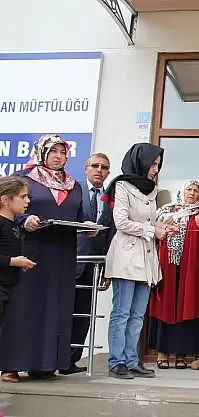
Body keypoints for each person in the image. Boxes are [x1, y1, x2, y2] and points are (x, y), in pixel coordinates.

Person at [0, 134, 90, 383]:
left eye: (62, 152)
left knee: (56, 307)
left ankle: (46, 364)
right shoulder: (24, 178)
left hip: (63, 253)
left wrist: (88, 226)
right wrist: (24, 219)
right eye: (53, 152)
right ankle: (12, 364)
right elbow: (7, 209)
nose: (58, 157)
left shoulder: (73, 184)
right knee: (24, 305)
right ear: (42, 153)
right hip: (32, 251)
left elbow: (78, 215)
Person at [103, 143, 175, 380]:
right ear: (140, 162)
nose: (155, 169)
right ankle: (116, 362)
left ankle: (132, 360)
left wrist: (163, 227)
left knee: (137, 315)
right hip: (126, 257)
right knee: (122, 313)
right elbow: (121, 222)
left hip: (146, 259)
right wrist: (152, 230)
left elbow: (149, 223)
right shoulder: (122, 186)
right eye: (152, 164)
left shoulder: (152, 190)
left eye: (158, 165)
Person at [148, 179, 199, 370]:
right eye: (189, 189)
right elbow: (151, 236)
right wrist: (161, 227)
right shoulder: (164, 212)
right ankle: (162, 353)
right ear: (181, 192)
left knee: (187, 307)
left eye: (196, 191)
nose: (192, 193)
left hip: (191, 269)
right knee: (165, 306)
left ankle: (182, 355)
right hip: (166, 268)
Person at [63, 153, 114, 375]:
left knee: (84, 314)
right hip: (72, 259)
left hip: (94, 264)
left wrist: (107, 268)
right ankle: (55, 358)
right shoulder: (74, 190)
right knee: (64, 312)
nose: (99, 170)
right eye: (95, 166)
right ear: (86, 169)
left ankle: (71, 361)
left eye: (104, 167)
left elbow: (111, 233)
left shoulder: (110, 197)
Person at [0, 177, 36, 327]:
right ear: (5, 200)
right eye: (23, 197)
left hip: (7, 288)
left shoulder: (13, 224)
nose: (28, 201)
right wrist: (14, 261)